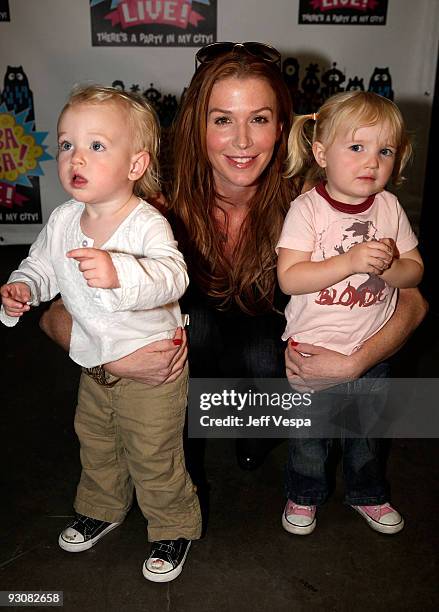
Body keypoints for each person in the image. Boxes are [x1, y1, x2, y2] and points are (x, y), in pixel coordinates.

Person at [39, 44, 427, 486]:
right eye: (222, 119)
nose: (242, 141)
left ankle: (255, 429)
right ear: (196, 126)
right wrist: (113, 362)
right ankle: (178, 434)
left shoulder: (315, 193)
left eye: (258, 119)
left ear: (281, 126)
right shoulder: (148, 196)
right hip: (183, 324)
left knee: (265, 356)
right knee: (193, 332)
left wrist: (355, 362)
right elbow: (56, 315)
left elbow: (411, 298)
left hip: (273, 326)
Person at [0, 85, 201, 583]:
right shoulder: (65, 219)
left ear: (135, 166)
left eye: (96, 145)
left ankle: (172, 526)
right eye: (66, 144)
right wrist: (24, 285)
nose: (75, 157)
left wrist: (121, 272)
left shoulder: (145, 224)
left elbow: (175, 276)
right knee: (96, 442)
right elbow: (42, 265)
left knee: (154, 454)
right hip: (95, 365)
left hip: (153, 372)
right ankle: (103, 507)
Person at [277, 91, 423, 536]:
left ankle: (367, 494)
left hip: (369, 354)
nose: (371, 162)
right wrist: (351, 262)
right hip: (311, 354)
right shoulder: (307, 210)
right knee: (309, 440)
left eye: (384, 150)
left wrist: (390, 266)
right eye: (356, 147)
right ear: (321, 153)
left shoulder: (390, 208)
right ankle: (304, 496)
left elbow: (414, 272)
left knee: (364, 439)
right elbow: (291, 279)